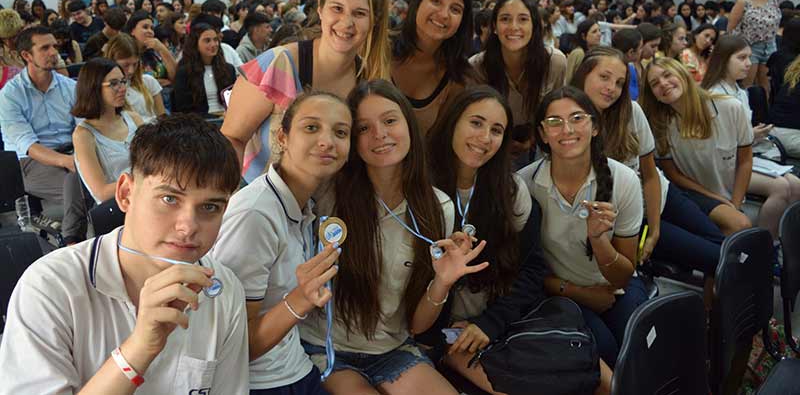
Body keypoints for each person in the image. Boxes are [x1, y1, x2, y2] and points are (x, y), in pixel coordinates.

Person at [0, 114, 250, 394]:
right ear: (125, 194)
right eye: (169, 199)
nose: (188, 227)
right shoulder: (50, 287)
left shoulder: (224, 291)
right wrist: (138, 350)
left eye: (210, 207)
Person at [300, 79, 487, 394]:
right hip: (325, 348)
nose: (380, 134)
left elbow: (416, 326)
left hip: (393, 351)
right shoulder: (326, 192)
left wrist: (442, 282)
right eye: (363, 128)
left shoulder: (438, 206)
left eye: (389, 120)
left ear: (409, 126)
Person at [426, 86, 606, 394]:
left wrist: (491, 321)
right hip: (445, 330)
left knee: (594, 368)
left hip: (506, 313)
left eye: (496, 130)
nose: (485, 138)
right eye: (476, 123)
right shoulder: (419, 189)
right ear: (452, 122)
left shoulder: (511, 191)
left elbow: (532, 269)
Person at [212, 92, 351, 394]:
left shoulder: (304, 204)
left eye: (340, 132)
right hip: (259, 382)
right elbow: (236, 345)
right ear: (282, 138)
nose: (328, 141)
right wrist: (301, 298)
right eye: (311, 128)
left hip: (295, 364)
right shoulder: (255, 214)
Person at [571, 48, 723, 300]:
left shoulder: (630, 112)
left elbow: (651, 176)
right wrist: (647, 231)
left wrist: (655, 231)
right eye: (604, 77)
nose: (612, 88)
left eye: (620, 83)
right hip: (629, 218)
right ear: (583, 75)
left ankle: (714, 316)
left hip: (660, 196)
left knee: (724, 245)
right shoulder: (569, 122)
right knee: (719, 258)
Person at [222, 0, 391, 183]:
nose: (346, 23)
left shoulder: (368, 78)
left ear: (373, 21)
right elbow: (231, 138)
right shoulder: (277, 64)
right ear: (320, 10)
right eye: (337, 9)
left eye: (359, 13)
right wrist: (231, 202)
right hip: (265, 204)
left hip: (333, 209)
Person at [518, 86, 646, 368]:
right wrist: (577, 292)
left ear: (595, 126)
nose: (566, 130)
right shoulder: (523, 184)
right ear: (541, 134)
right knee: (604, 353)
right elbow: (519, 271)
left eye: (577, 118)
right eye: (554, 122)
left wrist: (599, 240)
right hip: (556, 291)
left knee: (639, 348)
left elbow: (624, 276)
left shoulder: (623, 181)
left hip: (615, 287)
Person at [701, 35, 800, 238]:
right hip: (725, 164)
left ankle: (783, 241)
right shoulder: (716, 96)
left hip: (744, 155)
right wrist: (751, 136)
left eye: (749, 57)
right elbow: (720, 144)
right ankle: (762, 243)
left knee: (796, 185)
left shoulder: (738, 90)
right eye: (741, 58)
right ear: (724, 59)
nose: (748, 64)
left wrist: (752, 135)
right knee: (781, 188)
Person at [640, 57, 752, 236]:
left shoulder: (731, 107)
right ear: (654, 96)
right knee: (739, 225)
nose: (663, 84)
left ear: (683, 74)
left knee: (741, 224)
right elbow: (673, 174)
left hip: (728, 193)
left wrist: (735, 205)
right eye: (654, 84)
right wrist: (716, 199)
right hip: (691, 193)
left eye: (667, 75)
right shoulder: (659, 125)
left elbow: (745, 160)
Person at [0, 26, 86, 242]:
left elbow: (84, 128)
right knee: (83, 188)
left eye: (54, 46)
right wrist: (69, 161)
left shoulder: (69, 86)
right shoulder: (10, 95)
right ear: (27, 55)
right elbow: (28, 145)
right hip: (29, 162)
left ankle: (71, 240)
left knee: (83, 184)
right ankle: (72, 241)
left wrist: (82, 156)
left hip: (71, 151)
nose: (53, 52)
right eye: (45, 48)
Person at [468, 0, 567, 168]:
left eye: (522, 19)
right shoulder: (477, 66)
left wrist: (533, 140)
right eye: (505, 19)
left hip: (541, 147)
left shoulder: (554, 62)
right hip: (490, 149)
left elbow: (557, 112)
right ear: (495, 27)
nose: (514, 27)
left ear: (534, 26)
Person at [391, 0, 474, 135]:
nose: (444, 15)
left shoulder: (457, 77)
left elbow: (438, 141)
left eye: (455, 9)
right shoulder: (378, 49)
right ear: (418, 2)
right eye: (436, 1)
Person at [72, 58, 142, 204]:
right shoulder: (83, 135)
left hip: (145, 194)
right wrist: (145, 181)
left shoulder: (133, 118)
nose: (122, 88)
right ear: (93, 88)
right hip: (118, 206)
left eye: (123, 81)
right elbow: (101, 192)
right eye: (114, 84)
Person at [728, 0, 792, 94]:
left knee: (767, 86)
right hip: (750, 46)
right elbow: (731, 28)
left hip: (770, 46)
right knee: (747, 86)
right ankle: (747, 113)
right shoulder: (744, 1)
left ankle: (764, 113)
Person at [173, 22, 236, 116]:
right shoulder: (184, 72)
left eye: (215, 40)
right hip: (200, 123)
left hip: (228, 119)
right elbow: (184, 109)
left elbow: (234, 101)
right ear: (195, 44)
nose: (213, 44)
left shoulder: (228, 69)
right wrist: (216, 116)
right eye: (207, 41)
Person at [104, 33, 166, 123]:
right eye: (125, 65)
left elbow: (162, 118)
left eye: (135, 64)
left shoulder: (148, 81)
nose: (131, 71)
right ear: (111, 62)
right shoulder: (106, 90)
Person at [123, 10, 177, 87]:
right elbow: (132, 83)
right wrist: (160, 82)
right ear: (132, 31)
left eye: (152, 28)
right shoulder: (125, 53)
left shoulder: (155, 50)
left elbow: (176, 77)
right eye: (145, 27)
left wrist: (162, 49)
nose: (150, 31)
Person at [566, 19, 602, 83]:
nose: (599, 34)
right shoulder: (578, 53)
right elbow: (568, 79)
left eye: (599, 30)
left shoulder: (598, 53)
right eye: (594, 32)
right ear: (583, 36)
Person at [611, 29, 643, 100]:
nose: (642, 50)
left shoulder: (631, 67)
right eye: (640, 48)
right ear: (631, 52)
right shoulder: (615, 72)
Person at [0, 8, 25, 89]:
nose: (8, 43)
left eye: (13, 37)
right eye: (4, 39)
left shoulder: (33, 47)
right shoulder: (2, 53)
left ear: (21, 30)